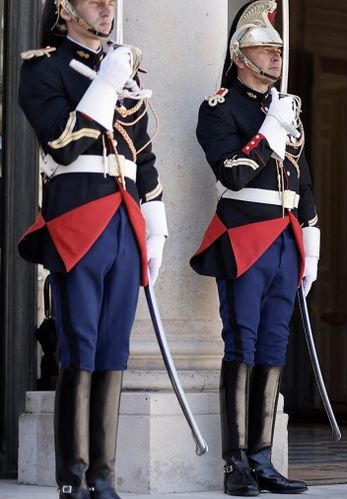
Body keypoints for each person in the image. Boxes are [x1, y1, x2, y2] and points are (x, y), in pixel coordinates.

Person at [18, 1, 167, 497]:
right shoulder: (44, 68)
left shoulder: (121, 69)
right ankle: (73, 477)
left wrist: (156, 224)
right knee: (78, 345)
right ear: (66, 8)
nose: (106, 8)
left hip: (125, 220)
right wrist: (105, 83)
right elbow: (62, 141)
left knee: (113, 350)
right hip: (78, 217)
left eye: (110, 1)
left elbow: (143, 156)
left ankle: (104, 475)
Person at [191, 0, 318, 495]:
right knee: (240, 344)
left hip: (285, 237)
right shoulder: (221, 107)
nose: (275, 57)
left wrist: (313, 239)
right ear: (240, 56)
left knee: (273, 347)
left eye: (277, 50)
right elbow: (234, 174)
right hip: (245, 234)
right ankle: (235, 462)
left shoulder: (284, 107)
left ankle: (263, 458)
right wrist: (269, 130)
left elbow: (302, 179)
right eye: (264, 50)